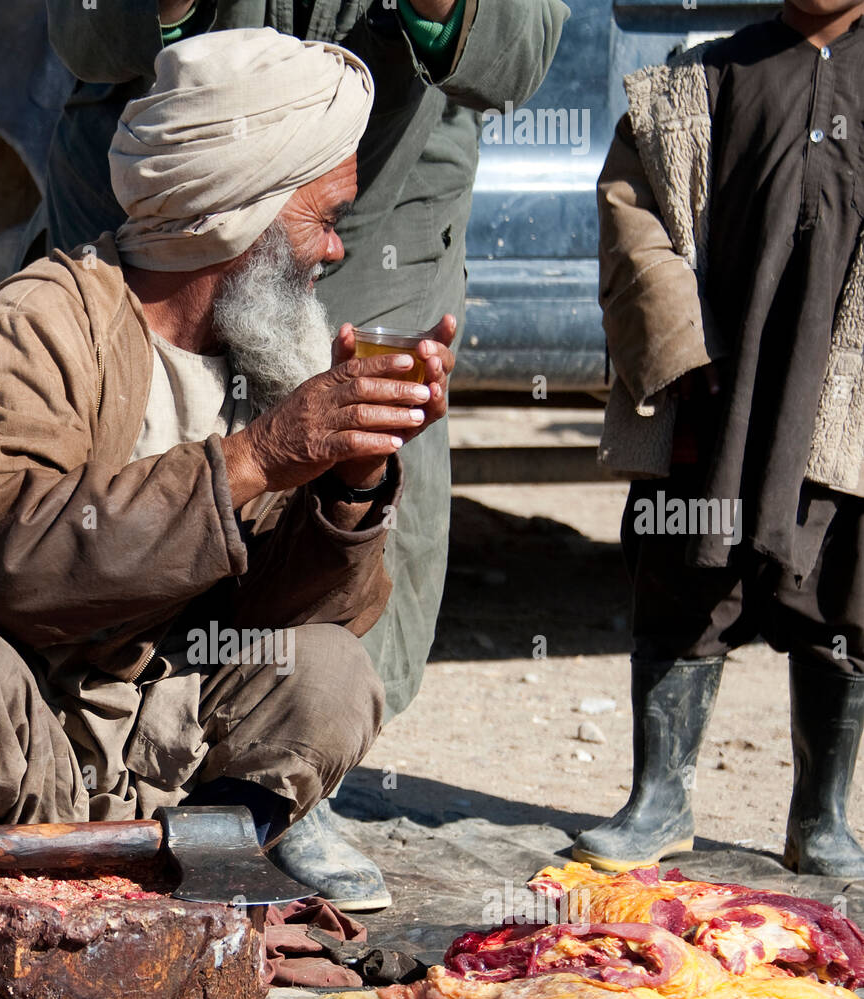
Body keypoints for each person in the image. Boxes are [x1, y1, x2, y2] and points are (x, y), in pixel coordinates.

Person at [0, 31, 453, 999]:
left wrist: (355, 477)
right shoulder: (42, 319)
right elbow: (9, 559)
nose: (336, 248)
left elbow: (303, 610)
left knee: (328, 672)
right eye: (324, 217)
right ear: (236, 214)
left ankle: (198, 889)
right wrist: (262, 457)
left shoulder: (264, 353)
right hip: (20, 731)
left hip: (159, 744)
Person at [29, 0, 567, 906]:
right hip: (167, 183)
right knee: (135, 446)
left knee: (354, 461)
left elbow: (517, 53)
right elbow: (83, 34)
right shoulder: (41, 324)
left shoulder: (344, 225)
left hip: (376, 201)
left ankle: (280, 786)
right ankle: (90, 747)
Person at [576, 0, 864, 876]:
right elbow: (636, 216)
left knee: (844, 593)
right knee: (682, 579)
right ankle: (659, 800)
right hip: (717, 393)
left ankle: (821, 817)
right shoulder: (699, 81)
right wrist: (675, 345)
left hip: (843, 399)